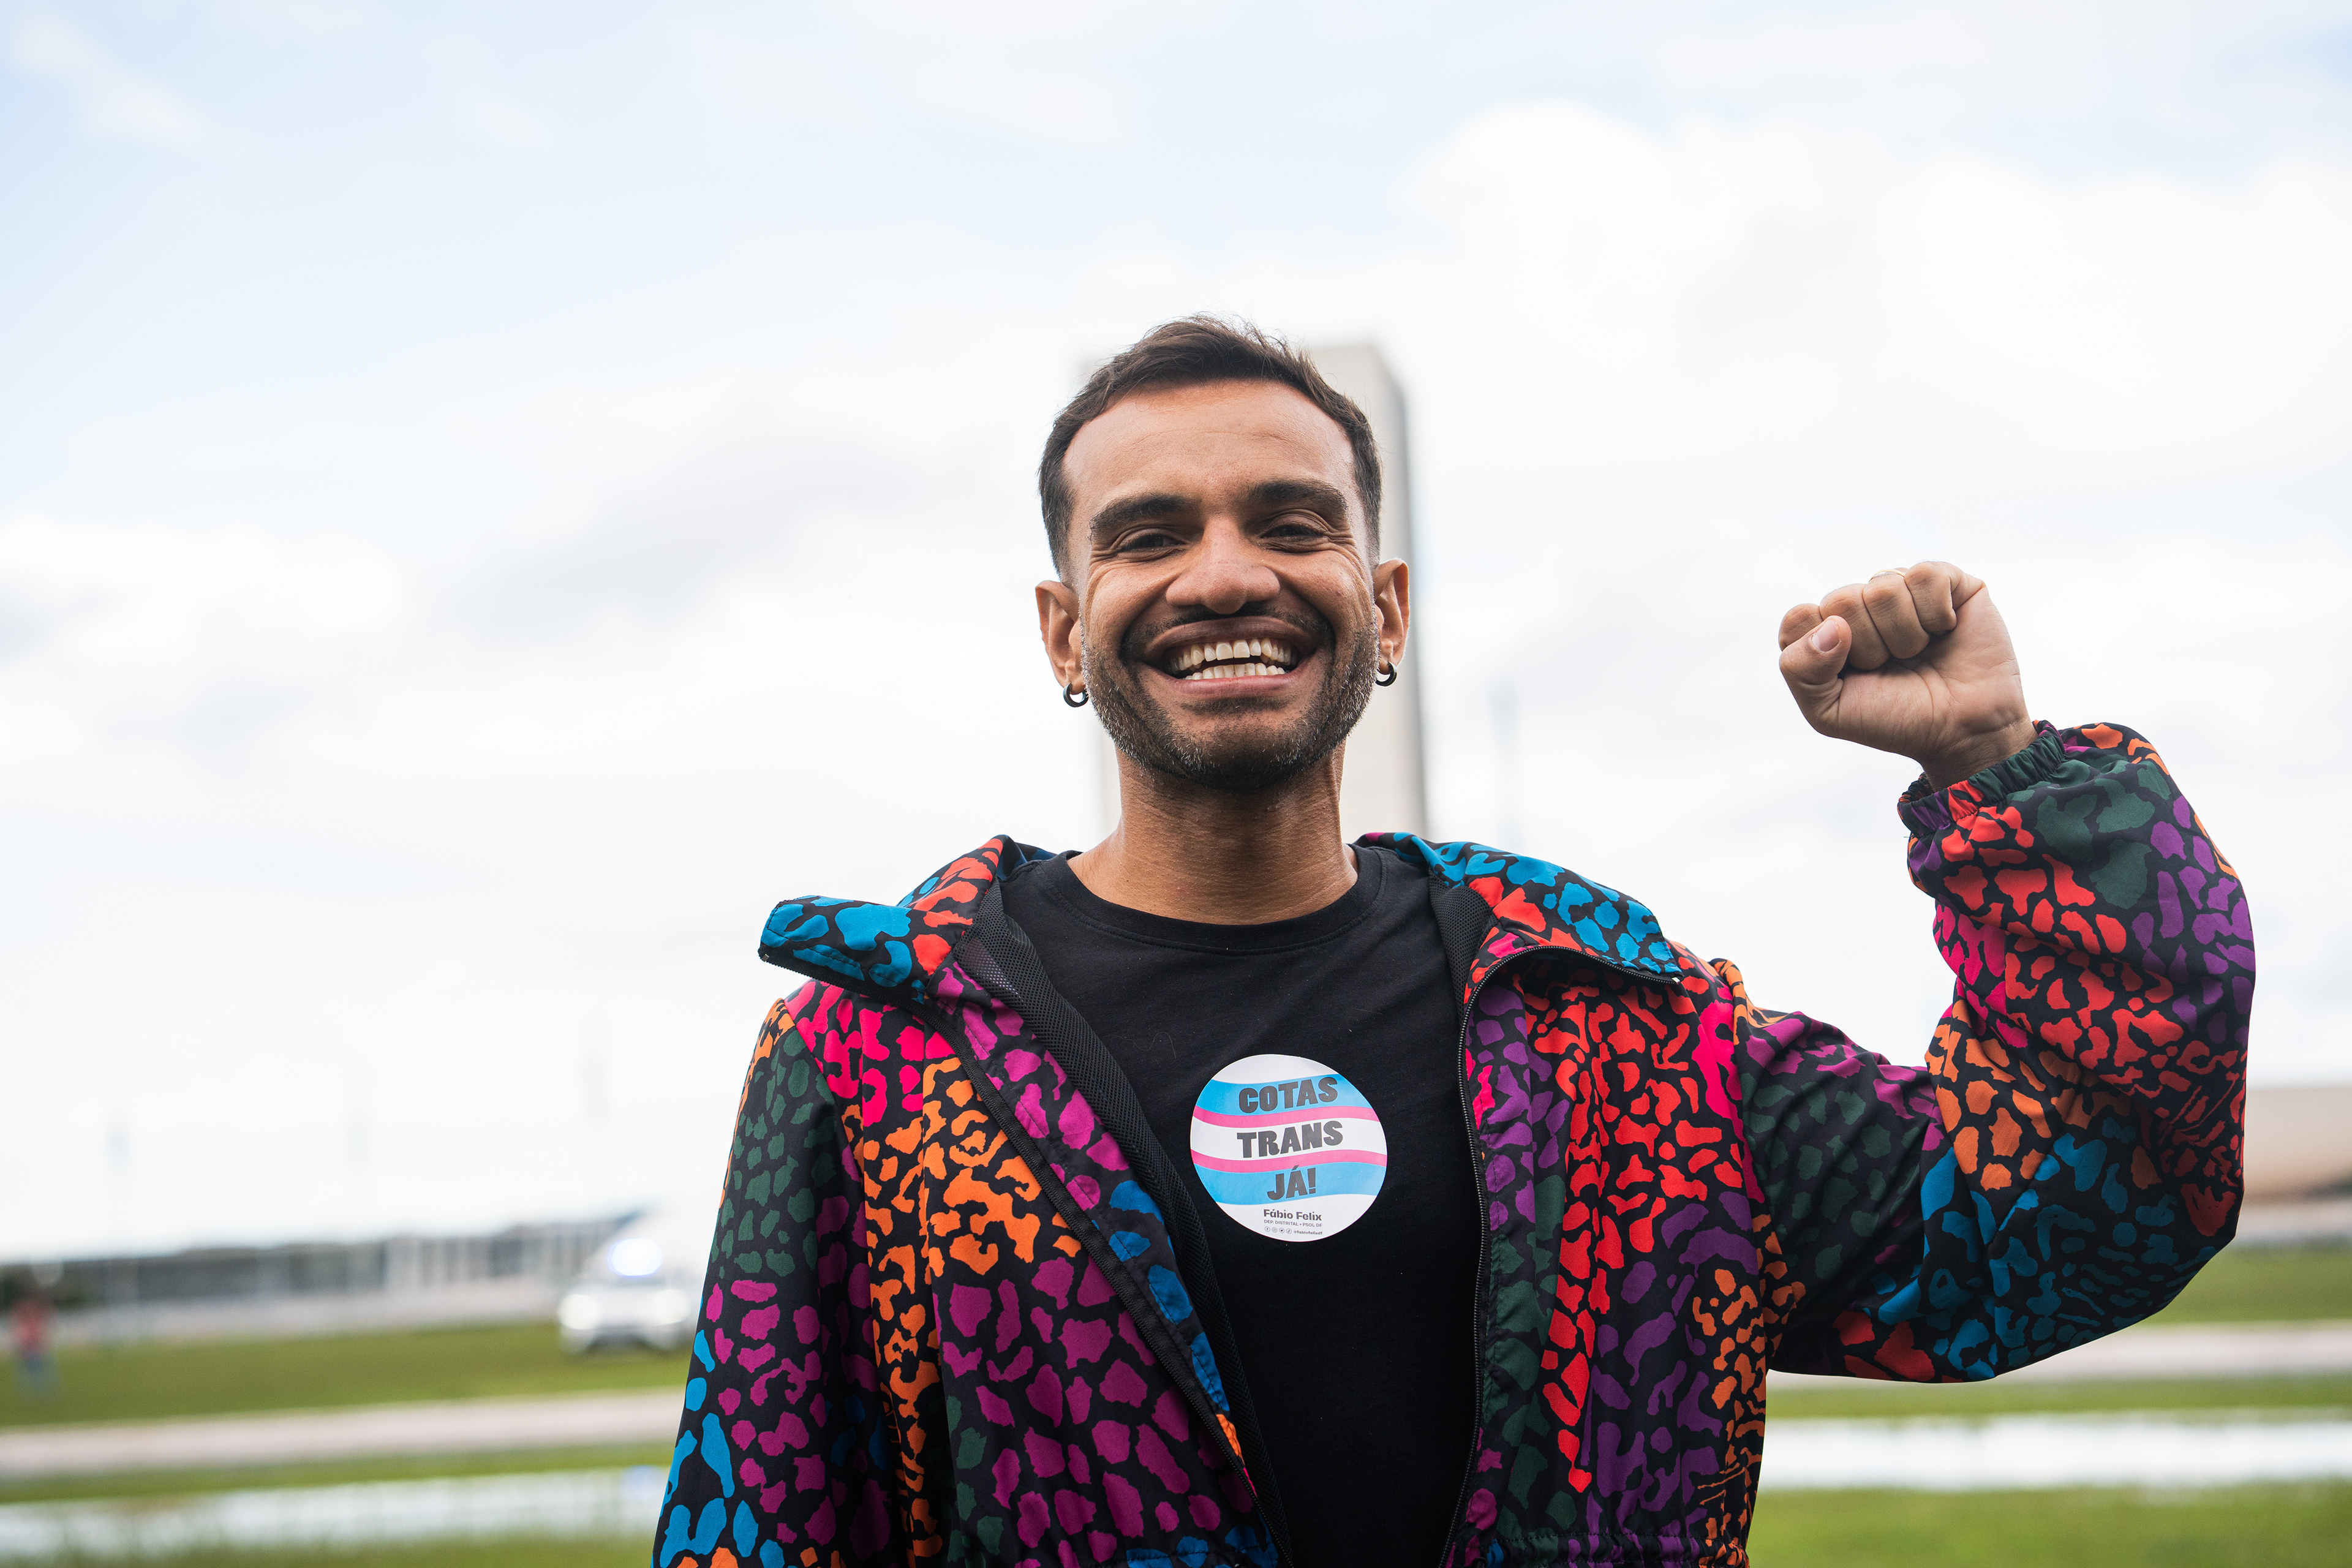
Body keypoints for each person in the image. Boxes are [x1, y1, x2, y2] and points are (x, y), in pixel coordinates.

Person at [652, 317, 2251, 1568]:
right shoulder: (879, 1058)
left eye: (1291, 521)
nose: (1228, 572)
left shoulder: (1618, 1032)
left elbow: (2074, 1213)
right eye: (1148, 534)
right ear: (1066, 628)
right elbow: (763, 1519)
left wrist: (1996, 771)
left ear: (1388, 607)